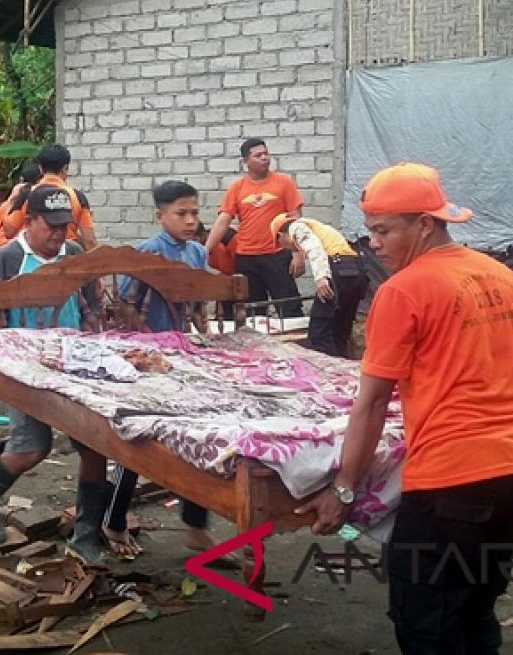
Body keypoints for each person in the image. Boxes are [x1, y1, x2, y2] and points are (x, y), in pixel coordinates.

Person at [295, 163, 513, 654]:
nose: (374, 244)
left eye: (384, 230)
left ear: (425, 224)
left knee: (424, 621)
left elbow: (370, 403)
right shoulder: (503, 277)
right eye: (369, 231)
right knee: (475, 609)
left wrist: (343, 490)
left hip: (453, 486)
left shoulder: (403, 290)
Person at [0, 185, 108, 563]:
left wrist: (97, 339)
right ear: (29, 222)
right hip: (24, 366)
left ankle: (86, 537)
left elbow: (90, 308)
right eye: (51, 226)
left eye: (65, 227)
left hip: (73, 362)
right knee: (31, 447)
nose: (59, 234)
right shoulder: (8, 259)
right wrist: (10, 366)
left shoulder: (74, 254)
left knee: (95, 446)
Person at [104, 181, 223, 560]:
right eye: (181, 214)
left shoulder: (196, 253)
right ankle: (114, 520)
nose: (190, 221)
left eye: (194, 213)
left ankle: (195, 527)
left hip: (186, 358)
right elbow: (125, 305)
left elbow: (201, 304)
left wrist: (204, 339)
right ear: (160, 216)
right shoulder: (146, 253)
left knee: (196, 438)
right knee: (136, 439)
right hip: (147, 360)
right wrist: (146, 349)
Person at [204, 138, 305, 319]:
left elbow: (296, 219)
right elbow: (223, 221)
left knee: (289, 308)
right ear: (245, 161)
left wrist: (298, 253)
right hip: (246, 258)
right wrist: (203, 252)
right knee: (251, 312)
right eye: (258, 155)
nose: (264, 158)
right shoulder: (237, 188)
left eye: (266, 154)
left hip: (277, 255)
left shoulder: (284, 183)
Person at [270, 212, 368, 358]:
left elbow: (315, 249)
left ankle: (324, 371)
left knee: (319, 330)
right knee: (340, 329)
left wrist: (321, 278)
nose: (286, 249)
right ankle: (340, 368)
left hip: (338, 270)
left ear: (280, 235)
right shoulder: (318, 227)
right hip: (356, 273)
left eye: (281, 244)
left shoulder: (296, 227)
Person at [2, 143, 97, 250]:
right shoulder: (77, 197)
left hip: (37, 258)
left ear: (40, 168)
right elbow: (89, 241)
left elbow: (9, 231)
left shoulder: (28, 194)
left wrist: (11, 201)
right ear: (65, 169)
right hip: (67, 259)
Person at [0, 163, 42, 244]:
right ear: (39, 181)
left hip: (1, 245)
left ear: (21, 179)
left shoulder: (6, 204)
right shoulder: (34, 201)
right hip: (17, 247)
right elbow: (9, 231)